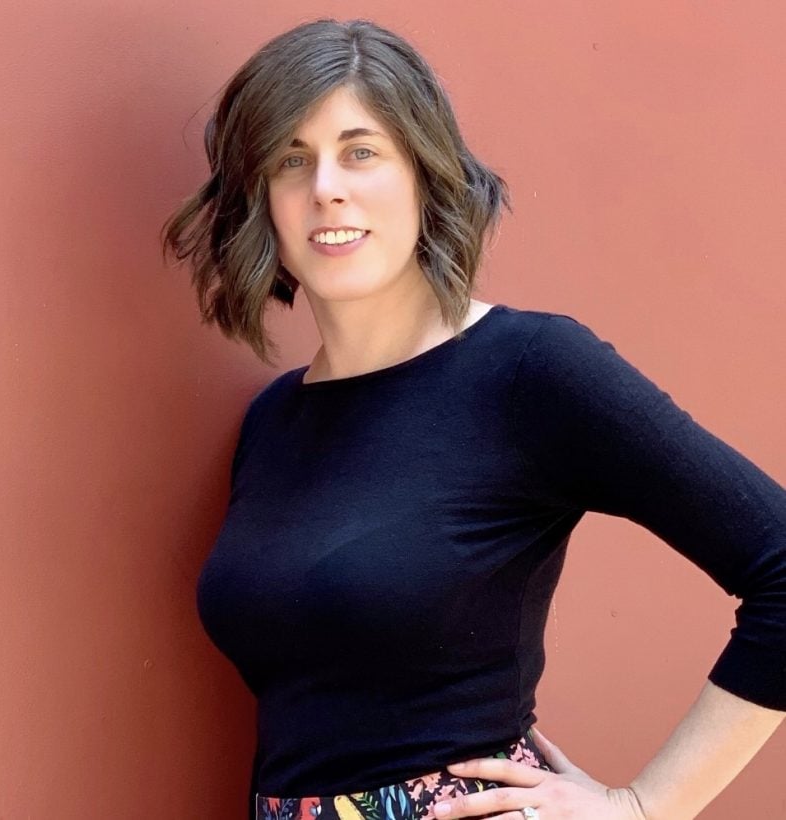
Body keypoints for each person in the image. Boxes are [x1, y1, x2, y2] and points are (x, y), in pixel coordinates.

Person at [161, 17, 786, 820]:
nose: (325, 188)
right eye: (290, 159)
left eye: (361, 151)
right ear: (262, 203)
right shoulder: (273, 421)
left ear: (425, 174)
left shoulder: (530, 370)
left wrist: (644, 807)